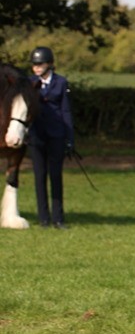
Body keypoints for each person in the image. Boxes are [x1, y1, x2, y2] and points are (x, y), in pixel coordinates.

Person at [27, 46, 74, 228]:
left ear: (49, 65)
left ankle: (58, 218)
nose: (37, 68)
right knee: (39, 176)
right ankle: (43, 218)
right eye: (34, 65)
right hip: (36, 135)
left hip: (56, 135)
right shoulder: (29, 83)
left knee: (56, 176)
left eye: (40, 64)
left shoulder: (61, 83)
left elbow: (66, 111)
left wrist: (70, 138)